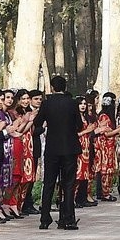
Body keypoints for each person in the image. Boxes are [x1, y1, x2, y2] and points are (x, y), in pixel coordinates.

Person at [36, 74, 83, 229]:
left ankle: (44, 218)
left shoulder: (47, 104)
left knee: (49, 183)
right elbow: (79, 125)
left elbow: (37, 122)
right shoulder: (72, 103)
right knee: (68, 184)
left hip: (52, 148)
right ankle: (68, 218)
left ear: (53, 88)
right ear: (65, 87)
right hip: (69, 148)